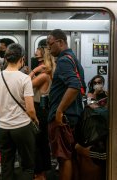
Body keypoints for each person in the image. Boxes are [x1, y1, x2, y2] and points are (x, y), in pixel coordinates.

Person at [0, 43, 39, 180]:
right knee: (27, 165)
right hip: (22, 127)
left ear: (6, 59)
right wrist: (35, 119)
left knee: (7, 165)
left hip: (3, 128)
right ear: (22, 59)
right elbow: (30, 109)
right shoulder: (24, 78)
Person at [46, 29, 86, 180]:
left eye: (50, 45)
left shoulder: (63, 61)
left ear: (60, 42)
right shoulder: (73, 59)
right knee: (71, 156)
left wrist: (59, 111)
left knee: (64, 158)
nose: (49, 49)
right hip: (73, 116)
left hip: (63, 119)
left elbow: (74, 85)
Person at [28, 39, 55, 180]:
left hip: (39, 109)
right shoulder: (48, 73)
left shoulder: (43, 75)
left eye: (38, 50)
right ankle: (42, 171)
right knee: (42, 142)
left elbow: (25, 85)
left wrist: (33, 71)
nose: (35, 52)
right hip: (44, 109)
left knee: (37, 143)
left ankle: (39, 174)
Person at [75, 75, 109, 180]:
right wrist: (94, 94)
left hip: (102, 128)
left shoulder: (107, 94)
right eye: (95, 83)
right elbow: (91, 106)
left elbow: (106, 110)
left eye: (99, 82)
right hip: (92, 131)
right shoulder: (90, 94)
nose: (98, 85)